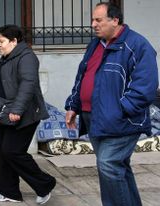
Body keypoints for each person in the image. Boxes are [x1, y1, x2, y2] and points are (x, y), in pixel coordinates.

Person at [64, 2, 158, 206]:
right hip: (94, 117)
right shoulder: (95, 44)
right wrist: (73, 105)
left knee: (108, 164)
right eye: (92, 20)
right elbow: (82, 76)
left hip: (121, 120)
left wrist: (121, 110)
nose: (93, 25)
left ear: (115, 20)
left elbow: (146, 87)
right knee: (117, 168)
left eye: (98, 20)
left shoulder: (138, 45)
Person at [0, 25, 56, 204]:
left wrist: (17, 110)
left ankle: (45, 184)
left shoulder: (27, 57)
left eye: (1, 42)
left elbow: (27, 84)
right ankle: (8, 191)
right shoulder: (8, 57)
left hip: (25, 114)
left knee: (12, 151)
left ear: (14, 41)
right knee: (4, 152)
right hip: (7, 112)